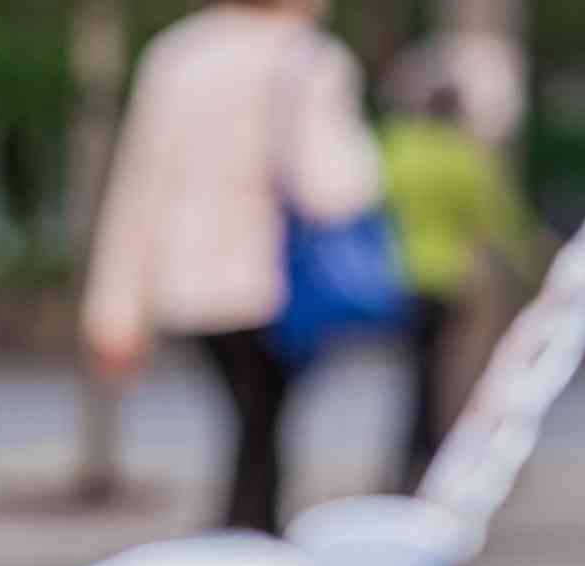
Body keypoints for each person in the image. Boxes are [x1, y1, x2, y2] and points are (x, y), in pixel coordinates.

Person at [81, 0, 382, 534]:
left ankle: (241, 548)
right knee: (262, 433)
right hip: (276, 284)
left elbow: (139, 185)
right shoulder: (312, 59)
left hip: (192, 284)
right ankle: (250, 555)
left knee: (252, 427)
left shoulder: (176, 54)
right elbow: (336, 190)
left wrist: (115, 309)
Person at [380, 83, 541, 491]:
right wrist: (534, 263)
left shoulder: (397, 147)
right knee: (437, 372)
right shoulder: (465, 155)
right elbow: (497, 220)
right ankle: (431, 453)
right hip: (450, 278)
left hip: (396, 276)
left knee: (413, 373)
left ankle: (413, 457)